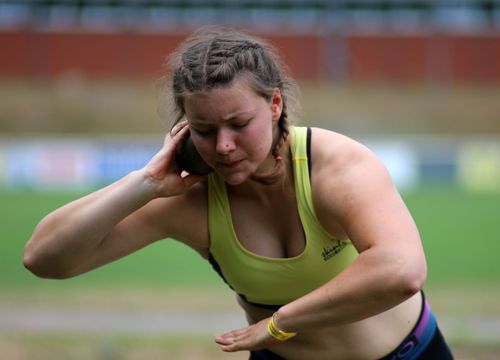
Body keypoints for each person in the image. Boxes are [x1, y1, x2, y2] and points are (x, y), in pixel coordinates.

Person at [23, 27, 454, 359]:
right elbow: (45, 258)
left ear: (275, 106)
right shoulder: (187, 199)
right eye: (205, 131)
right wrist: (145, 183)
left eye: (238, 124)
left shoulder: (335, 165)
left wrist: (279, 323)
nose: (224, 146)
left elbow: (402, 270)